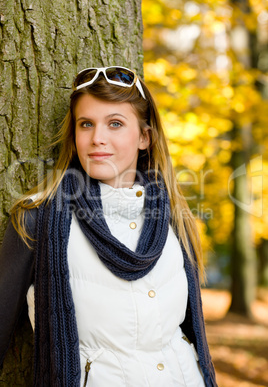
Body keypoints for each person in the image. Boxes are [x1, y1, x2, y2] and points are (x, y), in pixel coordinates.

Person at [0, 66, 217, 387]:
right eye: (86, 124)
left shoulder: (174, 218)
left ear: (145, 137)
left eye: (115, 123)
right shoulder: (37, 220)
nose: (97, 138)